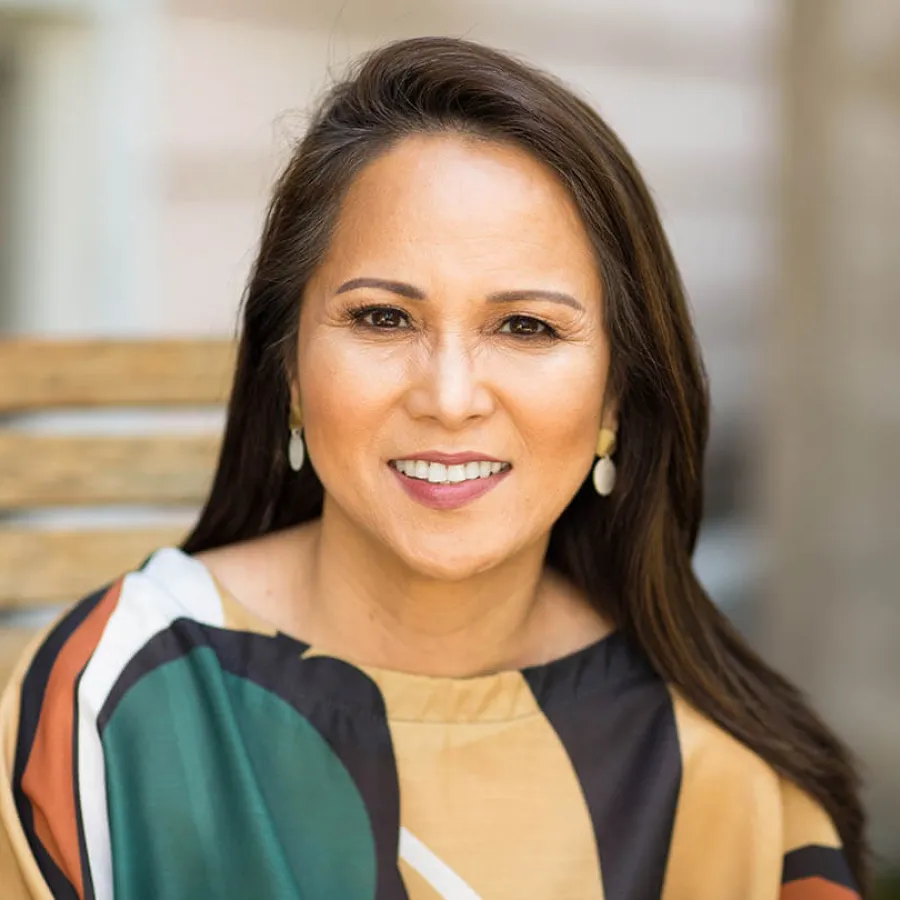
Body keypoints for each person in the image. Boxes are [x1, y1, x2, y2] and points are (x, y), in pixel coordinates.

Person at [0, 36, 867, 900]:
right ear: (290, 370)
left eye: (526, 326)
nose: (450, 398)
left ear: (614, 400)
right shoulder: (113, 696)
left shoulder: (726, 779)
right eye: (382, 318)